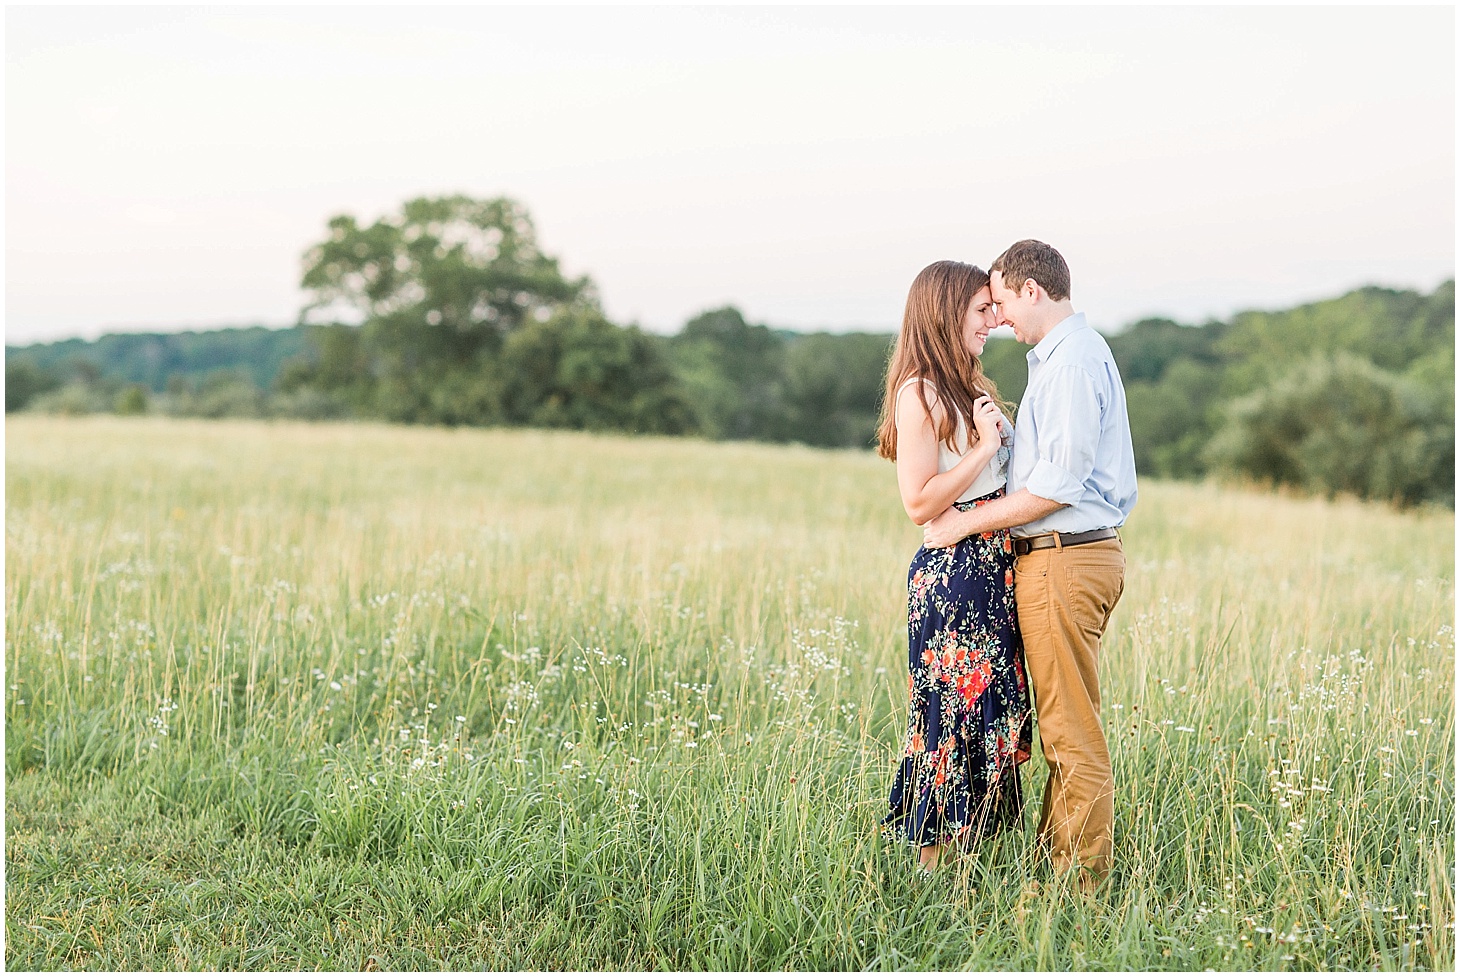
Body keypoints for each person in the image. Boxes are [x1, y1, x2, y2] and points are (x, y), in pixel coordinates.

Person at [922, 240, 1137, 890]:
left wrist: (960, 521)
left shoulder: (1069, 363)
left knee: (1070, 735)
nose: (999, 317)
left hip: (1064, 560)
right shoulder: (1061, 359)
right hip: (1068, 558)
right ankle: (1052, 870)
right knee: (1062, 727)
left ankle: (1078, 890)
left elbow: (1056, 489)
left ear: (1033, 291)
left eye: (1004, 300)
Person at [875, 260, 1033, 873]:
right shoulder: (919, 392)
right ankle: (934, 872)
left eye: (993, 310)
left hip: (997, 565)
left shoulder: (974, 384)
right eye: (980, 310)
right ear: (946, 314)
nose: (992, 320)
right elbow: (918, 501)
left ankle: (972, 869)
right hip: (956, 572)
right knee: (951, 720)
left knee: (993, 714)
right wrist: (986, 450)